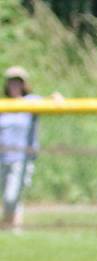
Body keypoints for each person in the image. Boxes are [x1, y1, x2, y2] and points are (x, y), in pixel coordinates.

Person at [1, 66, 60, 232]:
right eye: (11, 82)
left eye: (18, 82)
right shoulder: (3, 105)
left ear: (24, 84)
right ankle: (14, 230)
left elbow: (52, 100)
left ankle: (6, 225)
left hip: (21, 158)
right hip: (2, 158)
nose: (14, 86)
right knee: (11, 198)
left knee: (11, 197)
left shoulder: (32, 101)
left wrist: (55, 97)